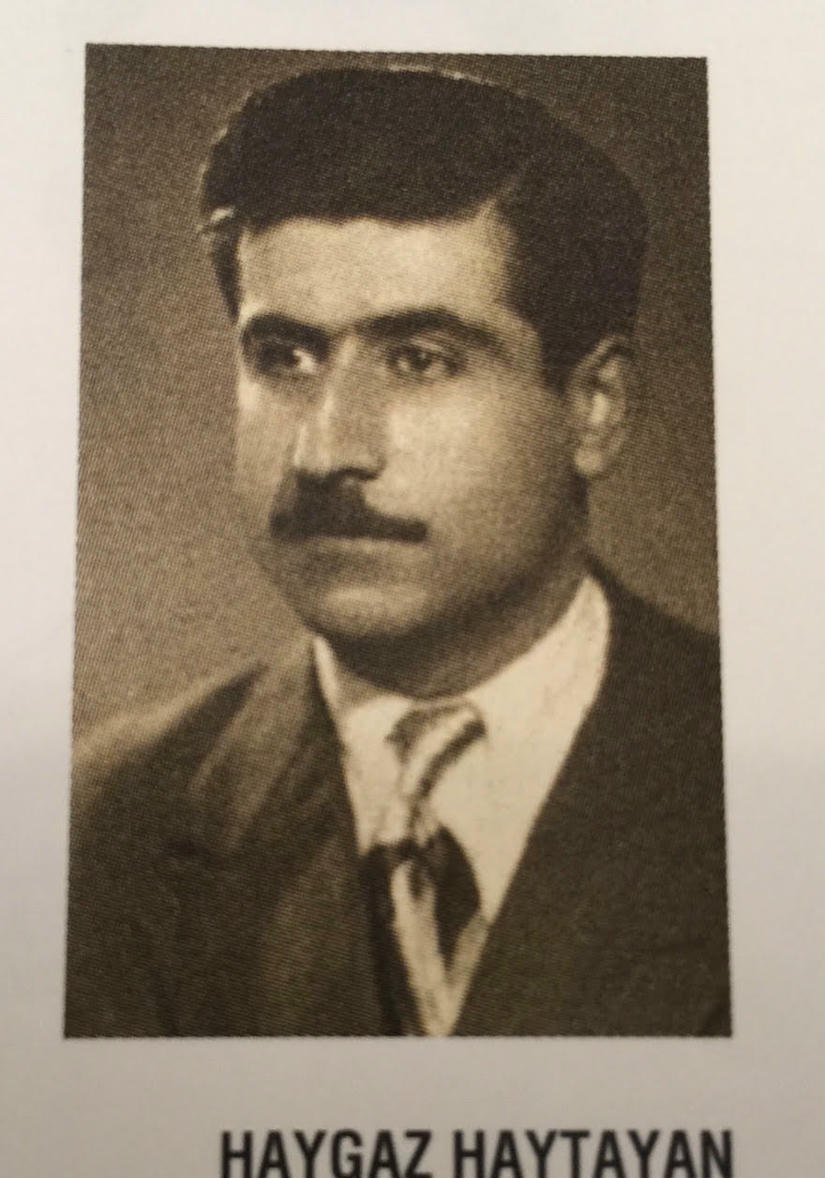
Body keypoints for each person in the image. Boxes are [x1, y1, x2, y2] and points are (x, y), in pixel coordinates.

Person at [66, 66, 729, 1037]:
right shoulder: (102, 823)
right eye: (283, 357)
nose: (327, 450)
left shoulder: (763, 774)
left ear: (595, 408)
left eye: (420, 359)